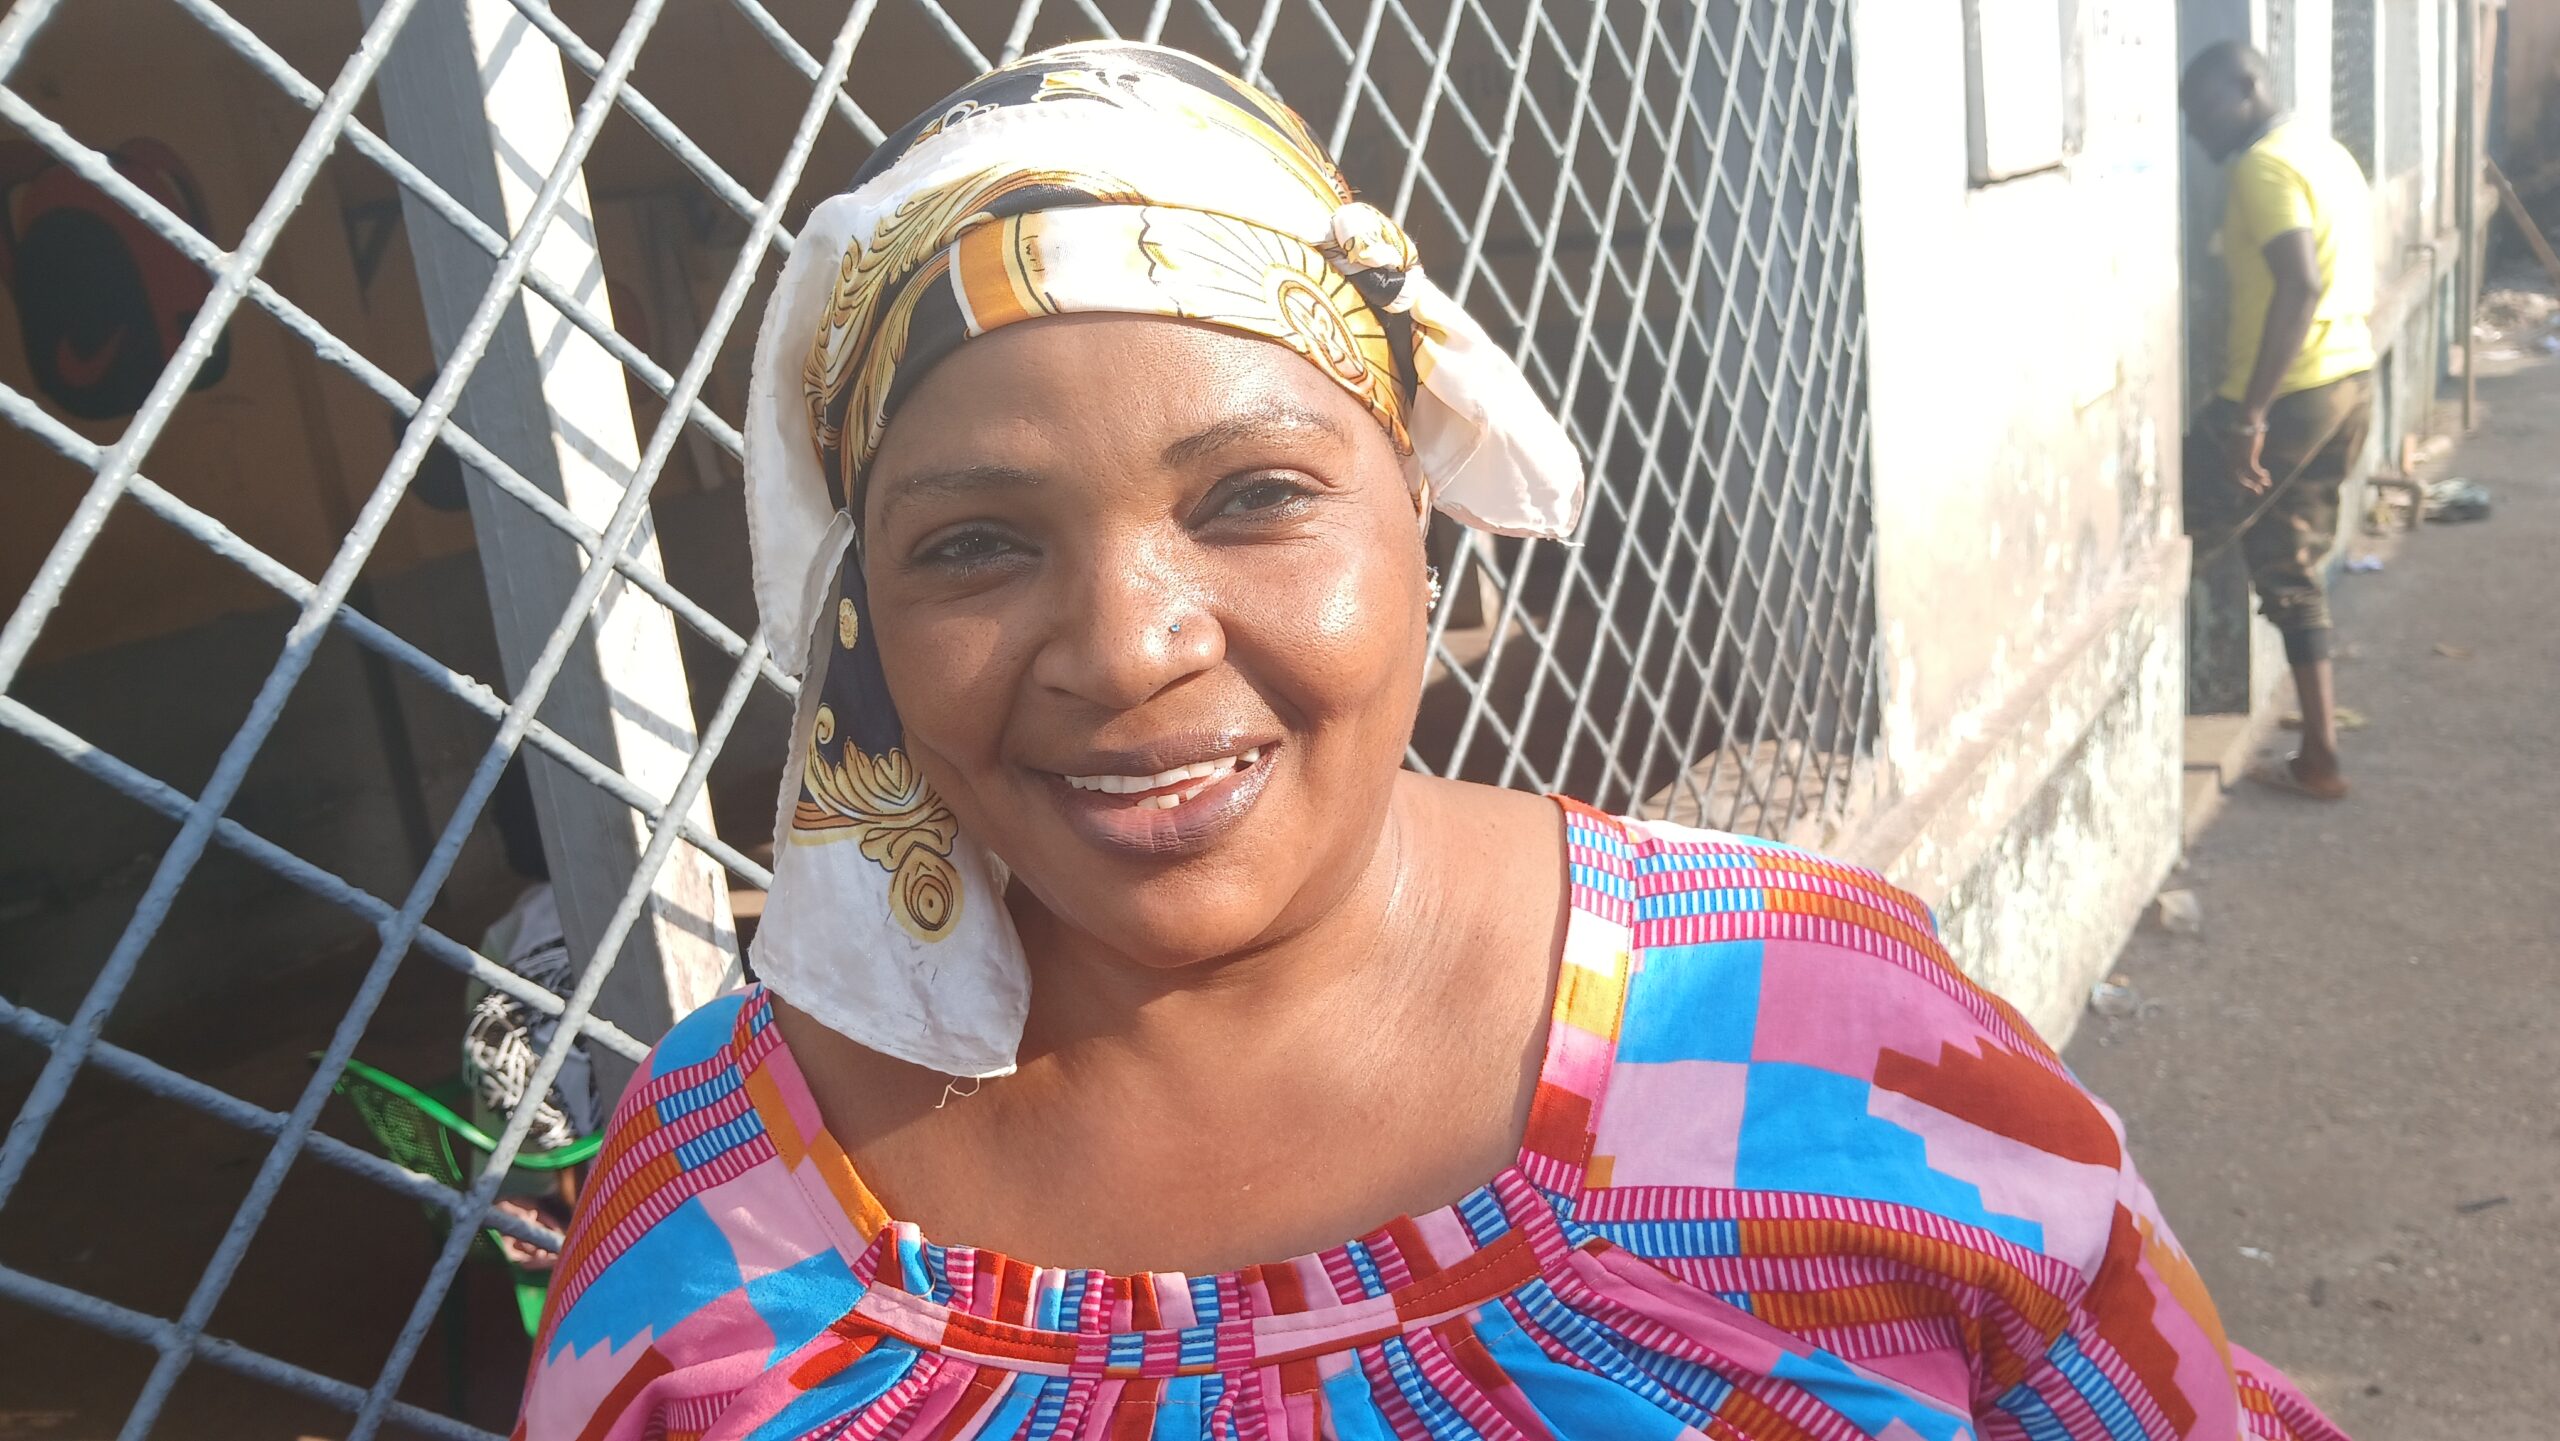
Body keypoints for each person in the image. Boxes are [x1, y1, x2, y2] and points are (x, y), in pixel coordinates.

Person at [515, 43, 2351, 1440]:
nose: (1128, 649)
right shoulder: (713, 1209)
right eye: (976, 543)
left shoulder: (1825, 1035)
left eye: (1250, 496)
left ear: (1415, 507)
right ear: (866, 619)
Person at [2180, 40, 2377, 801]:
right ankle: (2320, 756)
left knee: (2171, 532)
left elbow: (2301, 283)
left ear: (2248, 87)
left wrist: (2251, 417)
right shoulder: (2324, 152)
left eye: (2203, 109)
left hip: (2288, 395)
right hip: (2347, 380)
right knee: (2289, 561)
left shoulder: (2263, 168)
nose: (2195, 129)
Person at [462, 761, 598, 1271]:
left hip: (540, 1174)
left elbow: (487, 1054)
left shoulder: (506, 935)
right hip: (612, 1166)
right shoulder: (622, 908)